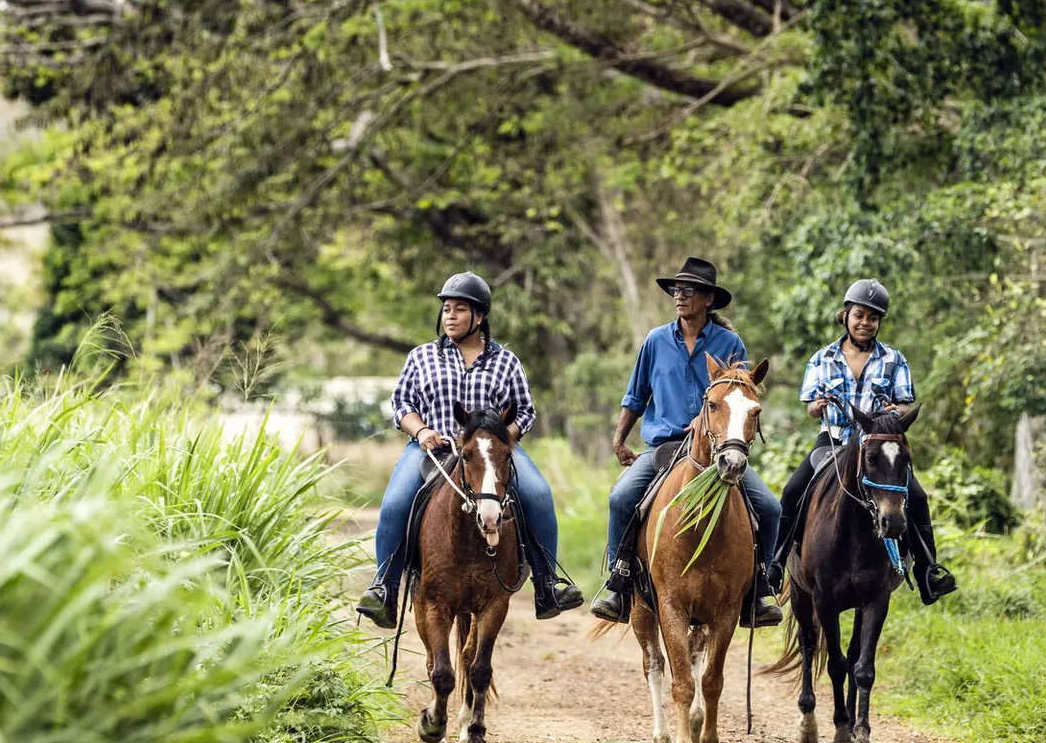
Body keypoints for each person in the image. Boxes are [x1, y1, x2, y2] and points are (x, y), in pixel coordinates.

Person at [355, 272, 584, 627]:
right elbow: (401, 405)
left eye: (459, 309)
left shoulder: (506, 362)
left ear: (479, 317)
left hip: (490, 451)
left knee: (538, 494)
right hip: (433, 448)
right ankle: (384, 587)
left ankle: (547, 583)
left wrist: (499, 442)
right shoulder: (422, 357)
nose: (450, 316)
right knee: (396, 502)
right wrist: (421, 430)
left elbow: (525, 410)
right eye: (446, 309)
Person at [588, 257, 784, 628]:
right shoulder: (656, 341)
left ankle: (760, 590)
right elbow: (635, 396)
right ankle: (618, 581)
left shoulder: (730, 343)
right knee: (621, 498)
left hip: (718, 450)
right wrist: (618, 439)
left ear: (708, 299)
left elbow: (741, 394)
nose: (680, 297)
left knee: (771, 508)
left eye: (688, 291)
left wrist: (709, 420)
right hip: (664, 446)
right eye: (677, 290)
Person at [776, 279, 956, 604]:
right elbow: (809, 406)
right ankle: (773, 568)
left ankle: (928, 572)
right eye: (859, 315)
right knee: (792, 491)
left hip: (877, 447)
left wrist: (894, 410)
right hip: (833, 443)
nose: (865, 322)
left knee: (917, 496)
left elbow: (904, 403)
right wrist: (815, 407)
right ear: (845, 315)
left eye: (873, 318)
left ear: (879, 322)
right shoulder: (822, 358)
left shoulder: (894, 359)